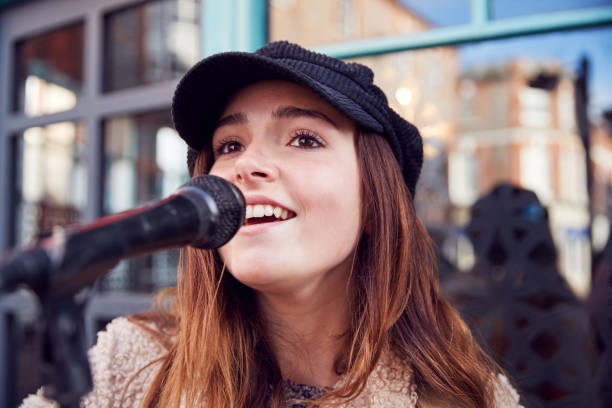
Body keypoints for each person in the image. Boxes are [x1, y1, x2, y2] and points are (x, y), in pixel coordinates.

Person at [22, 41, 522, 408]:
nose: (245, 165)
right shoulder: (128, 367)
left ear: (375, 201)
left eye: (304, 138)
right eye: (230, 145)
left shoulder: (470, 397)